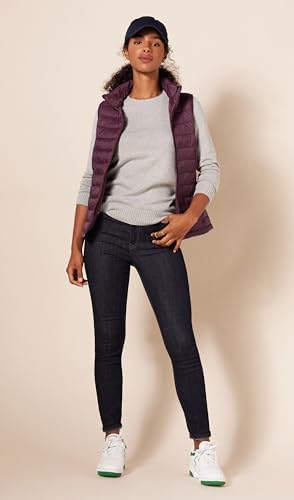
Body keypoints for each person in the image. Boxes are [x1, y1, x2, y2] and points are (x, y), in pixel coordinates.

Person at [65, 16, 226, 486]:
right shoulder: (109, 110)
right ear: (126, 51)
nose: (147, 49)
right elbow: (89, 178)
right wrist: (75, 245)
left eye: (156, 43)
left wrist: (188, 218)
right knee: (108, 342)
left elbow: (210, 168)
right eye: (139, 41)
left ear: (164, 53)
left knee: (181, 342)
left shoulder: (185, 107)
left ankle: (202, 448)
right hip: (107, 237)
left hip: (160, 235)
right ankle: (112, 438)